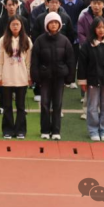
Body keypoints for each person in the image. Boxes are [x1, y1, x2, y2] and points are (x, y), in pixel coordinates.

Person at [31, 12, 75, 141]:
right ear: (47, 25)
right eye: (51, 22)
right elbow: (35, 61)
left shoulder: (65, 40)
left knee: (57, 104)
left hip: (59, 77)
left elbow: (70, 60)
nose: (54, 25)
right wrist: (36, 77)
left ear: (60, 25)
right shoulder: (39, 40)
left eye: (56, 22)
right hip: (45, 77)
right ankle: (45, 130)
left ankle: (56, 131)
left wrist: (69, 77)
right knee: (44, 104)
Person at [0, 16, 32, 140]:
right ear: (9, 26)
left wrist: (29, 76)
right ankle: (8, 130)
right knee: (7, 106)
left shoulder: (27, 40)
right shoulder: (3, 40)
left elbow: (29, 61)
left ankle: (20, 130)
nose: (15, 26)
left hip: (22, 78)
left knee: (21, 106)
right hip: (6, 77)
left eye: (17, 24)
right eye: (13, 24)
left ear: (21, 26)